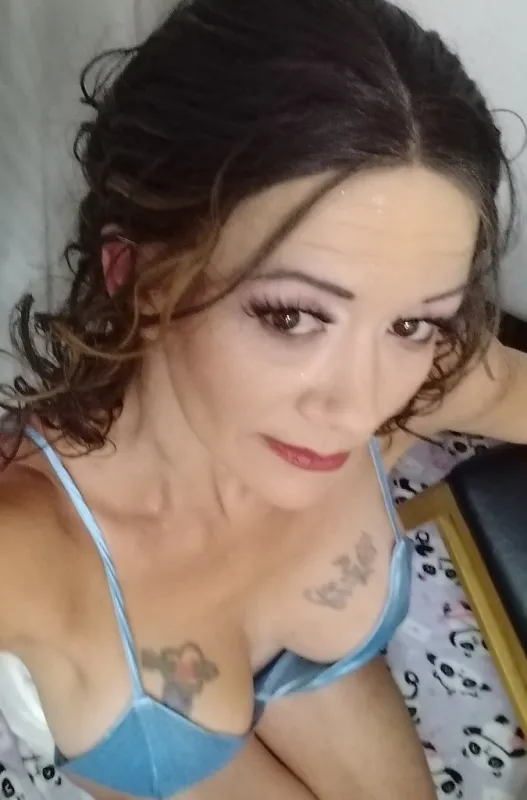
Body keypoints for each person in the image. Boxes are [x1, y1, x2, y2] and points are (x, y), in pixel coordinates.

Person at [0, 0, 526, 798]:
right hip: (153, 717)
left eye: (412, 322)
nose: (359, 409)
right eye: (290, 316)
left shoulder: (420, 378)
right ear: (135, 275)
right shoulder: (26, 547)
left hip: (308, 644)